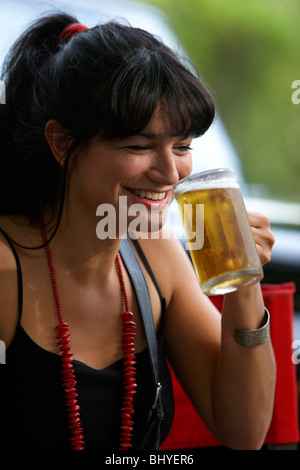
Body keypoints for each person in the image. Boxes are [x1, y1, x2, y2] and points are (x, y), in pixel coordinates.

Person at [0, 12, 276, 450]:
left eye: (182, 146)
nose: (170, 173)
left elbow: (244, 430)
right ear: (61, 142)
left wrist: (243, 279)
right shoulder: (5, 271)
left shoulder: (156, 257)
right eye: (139, 146)